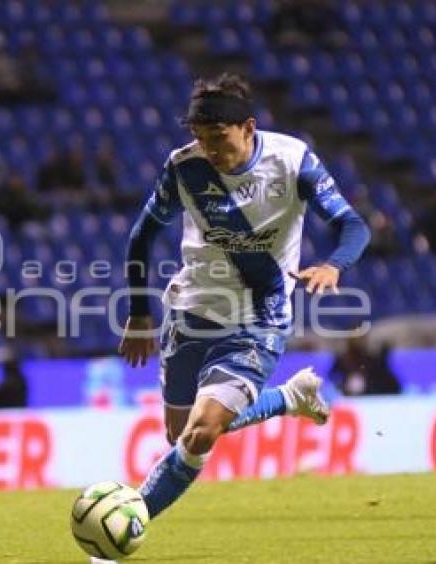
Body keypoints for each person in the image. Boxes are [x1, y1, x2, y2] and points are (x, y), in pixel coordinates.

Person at [118, 73, 370, 529]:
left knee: (201, 432)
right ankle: (288, 398)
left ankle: (129, 522)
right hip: (191, 311)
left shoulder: (292, 161)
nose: (211, 150)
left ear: (248, 127)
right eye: (201, 138)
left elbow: (354, 225)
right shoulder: (185, 168)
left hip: (259, 318)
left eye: (219, 138)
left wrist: (334, 265)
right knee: (179, 435)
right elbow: (142, 237)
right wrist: (139, 314)